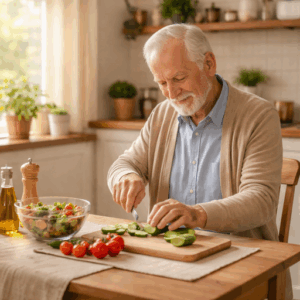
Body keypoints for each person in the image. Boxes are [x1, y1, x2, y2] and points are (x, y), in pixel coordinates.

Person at [107, 24, 291, 299]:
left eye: (179, 78)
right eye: (162, 83)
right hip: (171, 258)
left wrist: (198, 214)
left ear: (208, 63)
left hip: (241, 260)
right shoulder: (162, 115)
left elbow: (261, 200)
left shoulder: (259, 115)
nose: (171, 93)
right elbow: (124, 163)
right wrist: (126, 177)